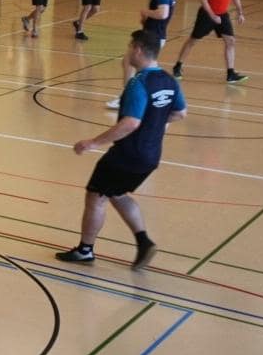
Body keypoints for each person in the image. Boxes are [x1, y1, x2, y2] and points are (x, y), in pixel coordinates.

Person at [57, 30, 186, 269]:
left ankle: (85, 251)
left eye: (129, 47)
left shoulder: (138, 83)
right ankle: (144, 242)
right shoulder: (169, 81)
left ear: (138, 49)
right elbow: (180, 113)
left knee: (96, 196)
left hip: (128, 154)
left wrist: (93, 142)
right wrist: (155, 124)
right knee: (116, 193)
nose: (127, 53)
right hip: (151, 156)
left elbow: (131, 123)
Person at [108, 0, 176, 110]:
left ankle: (128, 98)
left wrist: (146, 12)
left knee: (133, 64)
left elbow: (163, 14)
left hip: (153, 36)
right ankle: (136, 97)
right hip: (153, 34)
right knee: (131, 63)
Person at [173, 0, 248, 84]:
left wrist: (240, 12)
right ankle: (178, 66)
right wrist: (212, 15)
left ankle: (230, 74)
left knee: (230, 41)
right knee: (193, 40)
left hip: (223, 14)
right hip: (207, 15)